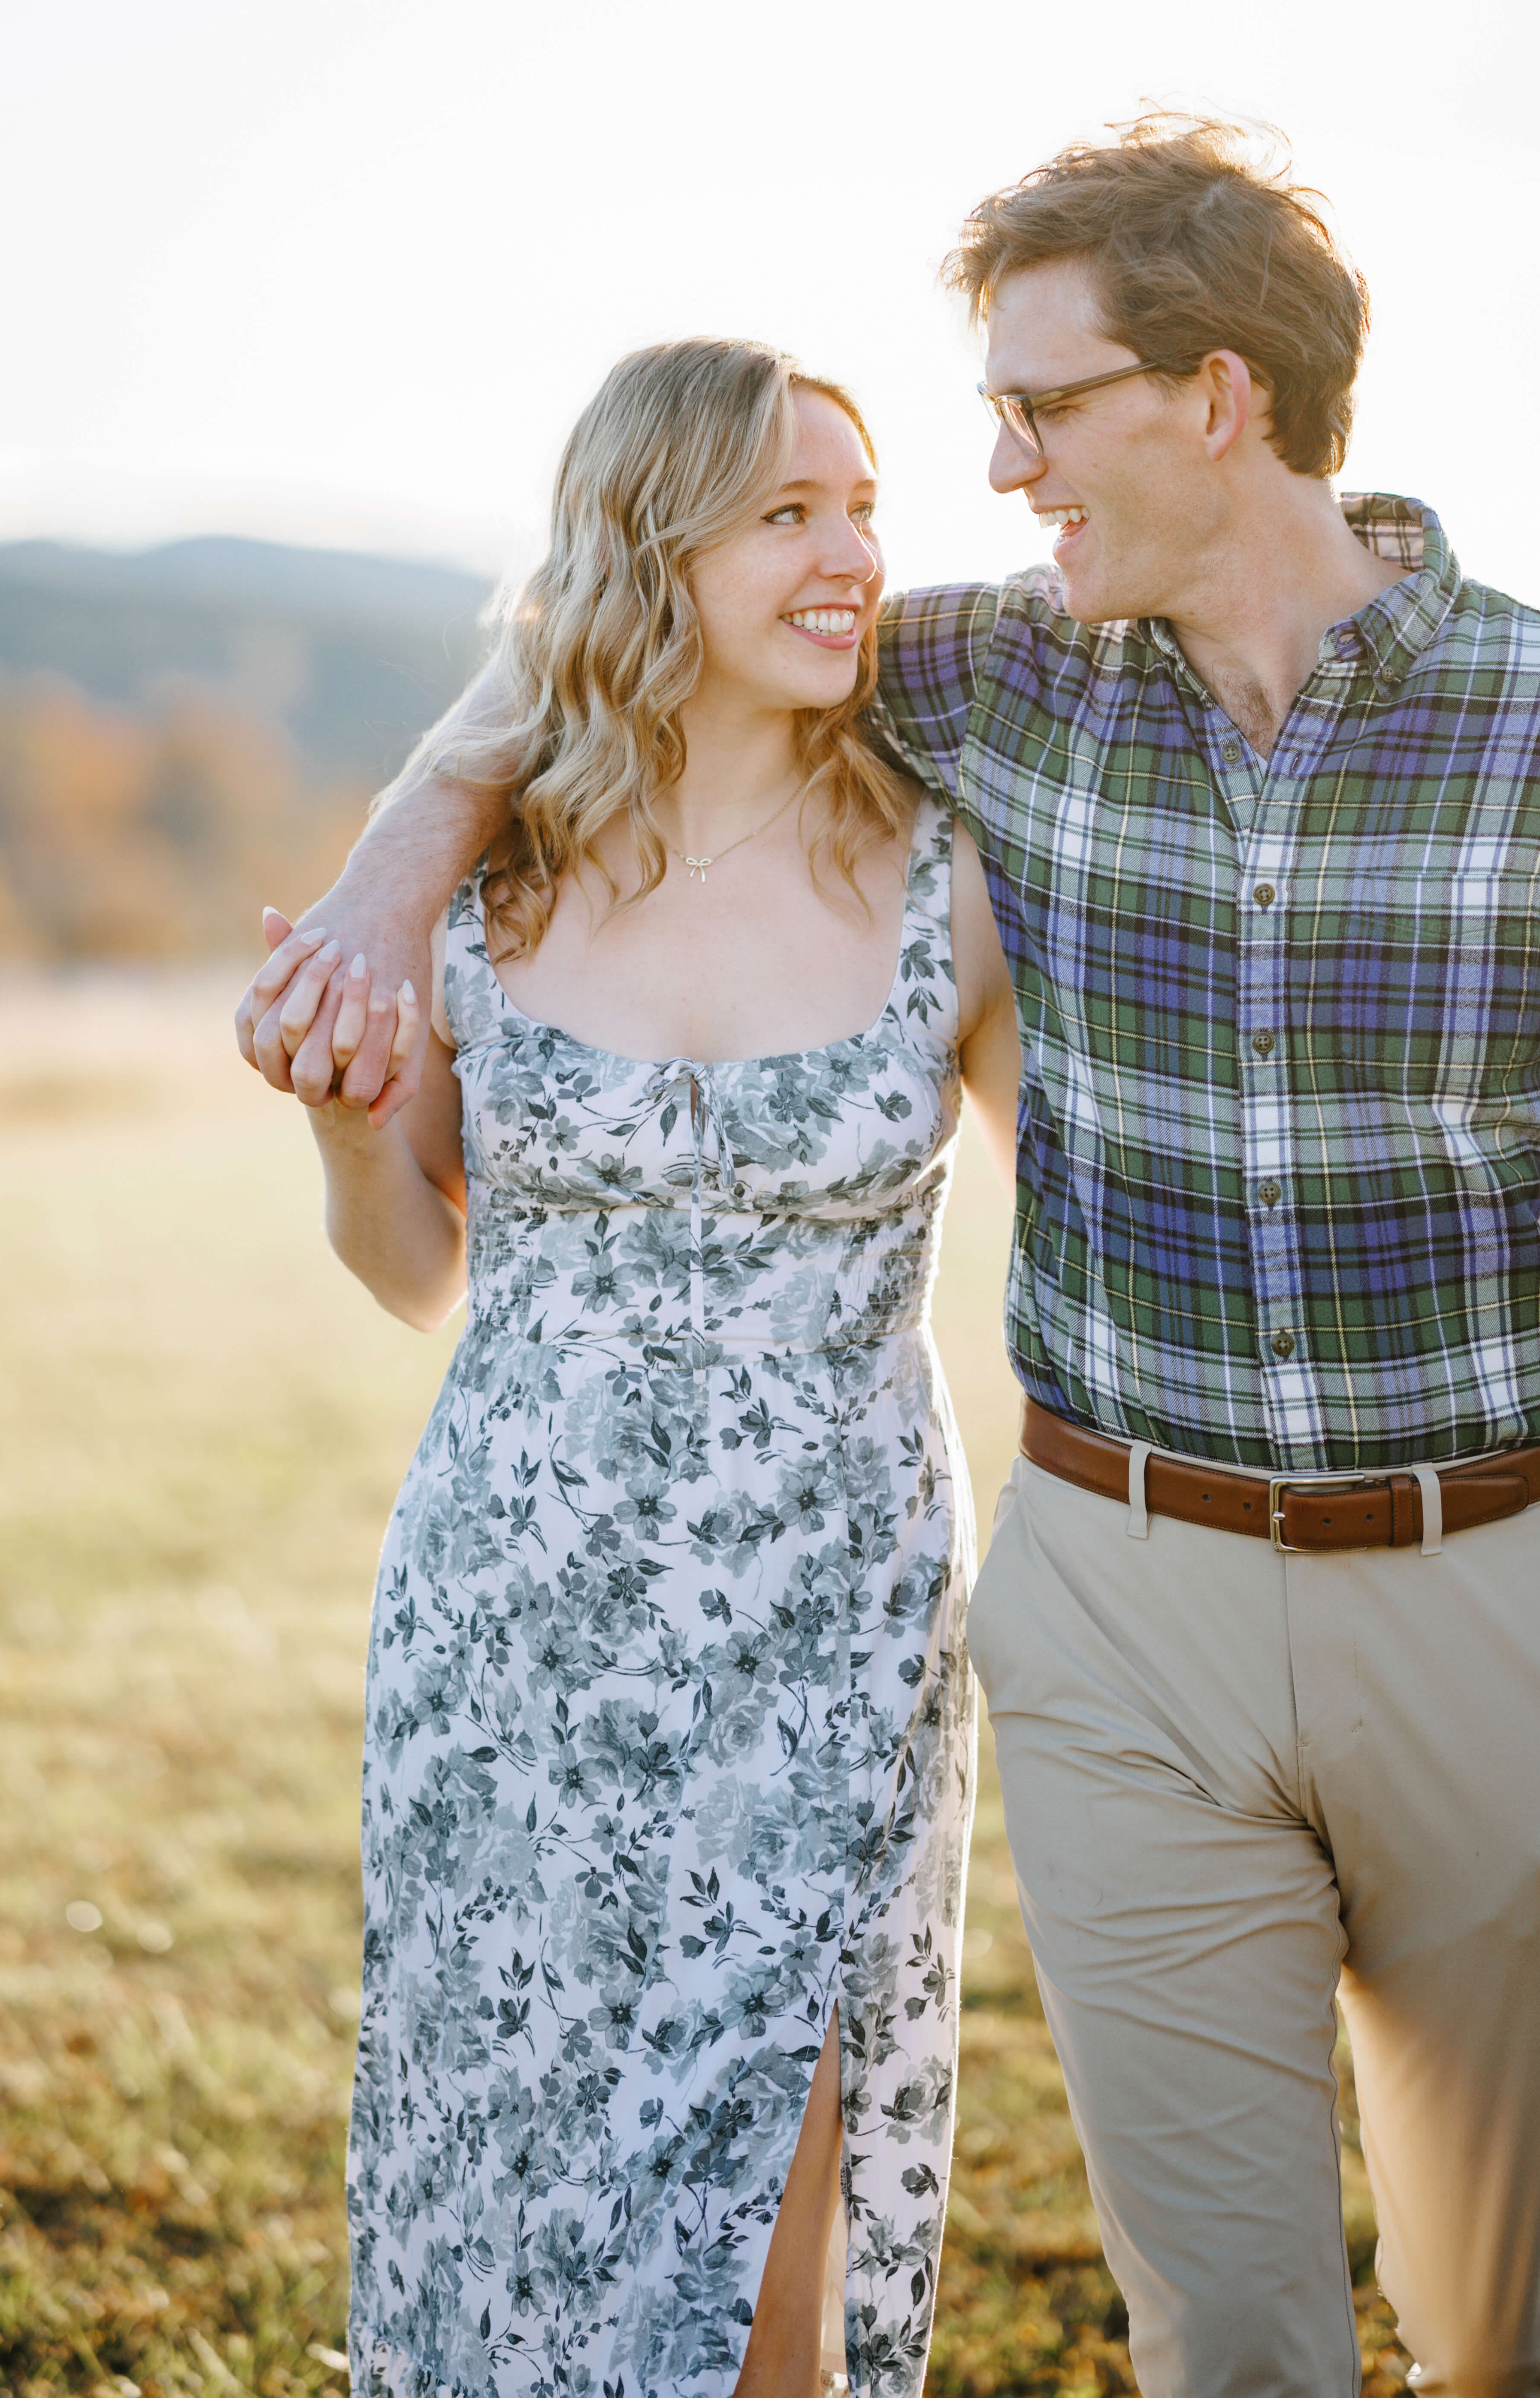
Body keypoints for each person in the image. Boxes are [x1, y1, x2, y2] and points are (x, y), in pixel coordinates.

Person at [244, 117, 1540, 2398]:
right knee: (1167, 2317)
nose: (950, 492)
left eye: (1023, 413)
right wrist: (376, 925)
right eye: (821, 494)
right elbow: (570, 697)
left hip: (1172, 1590)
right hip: (820, 1595)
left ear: (1213, 394)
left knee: (1464, 2319)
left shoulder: (1498, 746)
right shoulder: (783, 771)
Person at [252, 339, 1025, 2398]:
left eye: (863, 508)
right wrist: (345, 1121)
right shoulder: (486, 887)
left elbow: (1121, 1216)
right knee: (516, 2155)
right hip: (516, 1608)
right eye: (789, 512)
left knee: (779, 2163)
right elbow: (415, 1269)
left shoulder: (945, 872)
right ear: (648, 547)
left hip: (825, 1615)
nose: (851, 553)